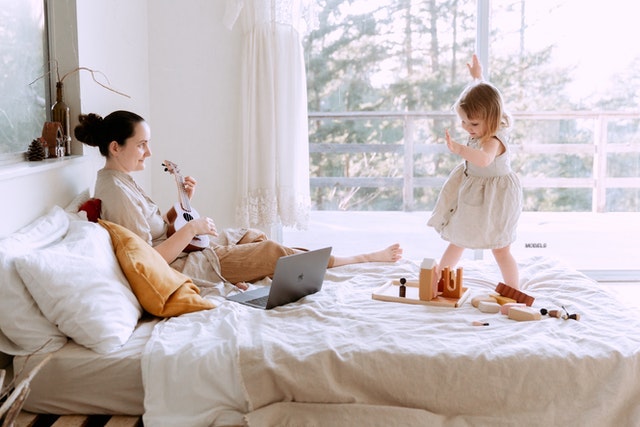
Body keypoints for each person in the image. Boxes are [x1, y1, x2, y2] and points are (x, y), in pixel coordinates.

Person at [74, 110, 403, 291]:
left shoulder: (121, 181)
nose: (149, 152)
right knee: (271, 251)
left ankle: (262, 276)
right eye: (142, 144)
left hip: (185, 250)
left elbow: (158, 228)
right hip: (182, 265)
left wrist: (183, 203)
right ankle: (357, 258)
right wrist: (192, 230)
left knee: (253, 235)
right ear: (115, 147)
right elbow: (150, 260)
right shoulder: (115, 191)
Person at [427, 54, 522, 289]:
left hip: (497, 198)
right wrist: (478, 78)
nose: (468, 129)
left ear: (493, 118)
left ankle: (514, 288)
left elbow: (483, 159)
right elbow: (488, 95)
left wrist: (458, 148)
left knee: (500, 249)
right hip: (475, 194)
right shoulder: (483, 125)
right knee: (457, 238)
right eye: (464, 123)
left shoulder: (494, 140)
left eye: (474, 124)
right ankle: (440, 279)